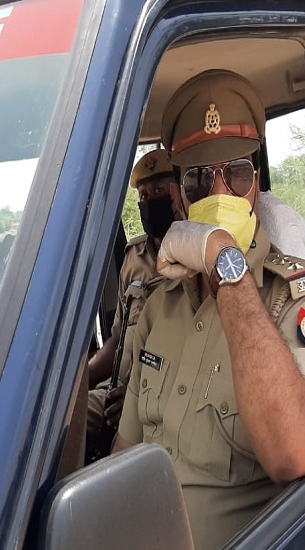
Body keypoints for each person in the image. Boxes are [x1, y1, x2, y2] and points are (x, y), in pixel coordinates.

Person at [113, 69, 305, 549]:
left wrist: (225, 260)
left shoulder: (298, 300)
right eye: (198, 179)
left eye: (236, 173)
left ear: (255, 185)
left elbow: (295, 453)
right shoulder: (158, 306)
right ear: (179, 194)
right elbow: (124, 454)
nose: (220, 193)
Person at [85, 149, 179, 457]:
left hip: (160, 398)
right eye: (143, 195)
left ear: (177, 194)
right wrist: (76, 382)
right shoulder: (133, 258)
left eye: (159, 191)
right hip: (115, 389)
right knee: (59, 421)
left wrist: (141, 398)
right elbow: (116, 340)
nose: (150, 200)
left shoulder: (194, 261)